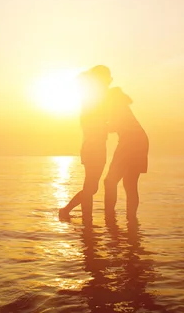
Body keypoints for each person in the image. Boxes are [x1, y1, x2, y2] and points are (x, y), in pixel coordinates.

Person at [59, 65, 112, 221]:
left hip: (97, 146)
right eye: (106, 77)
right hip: (93, 147)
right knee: (90, 187)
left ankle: (70, 213)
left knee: (92, 187)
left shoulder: (97, 97)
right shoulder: (94, 99)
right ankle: (85, 220)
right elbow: (91, 124)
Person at [103, 86, 149, 220]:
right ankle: (131, 219)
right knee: (130, 183)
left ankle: (109, 217)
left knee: (110, 181)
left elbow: (111, 127)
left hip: (130, 142)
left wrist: (96, 126)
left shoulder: (115, 106)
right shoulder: (121, 107)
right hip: (140, 141)